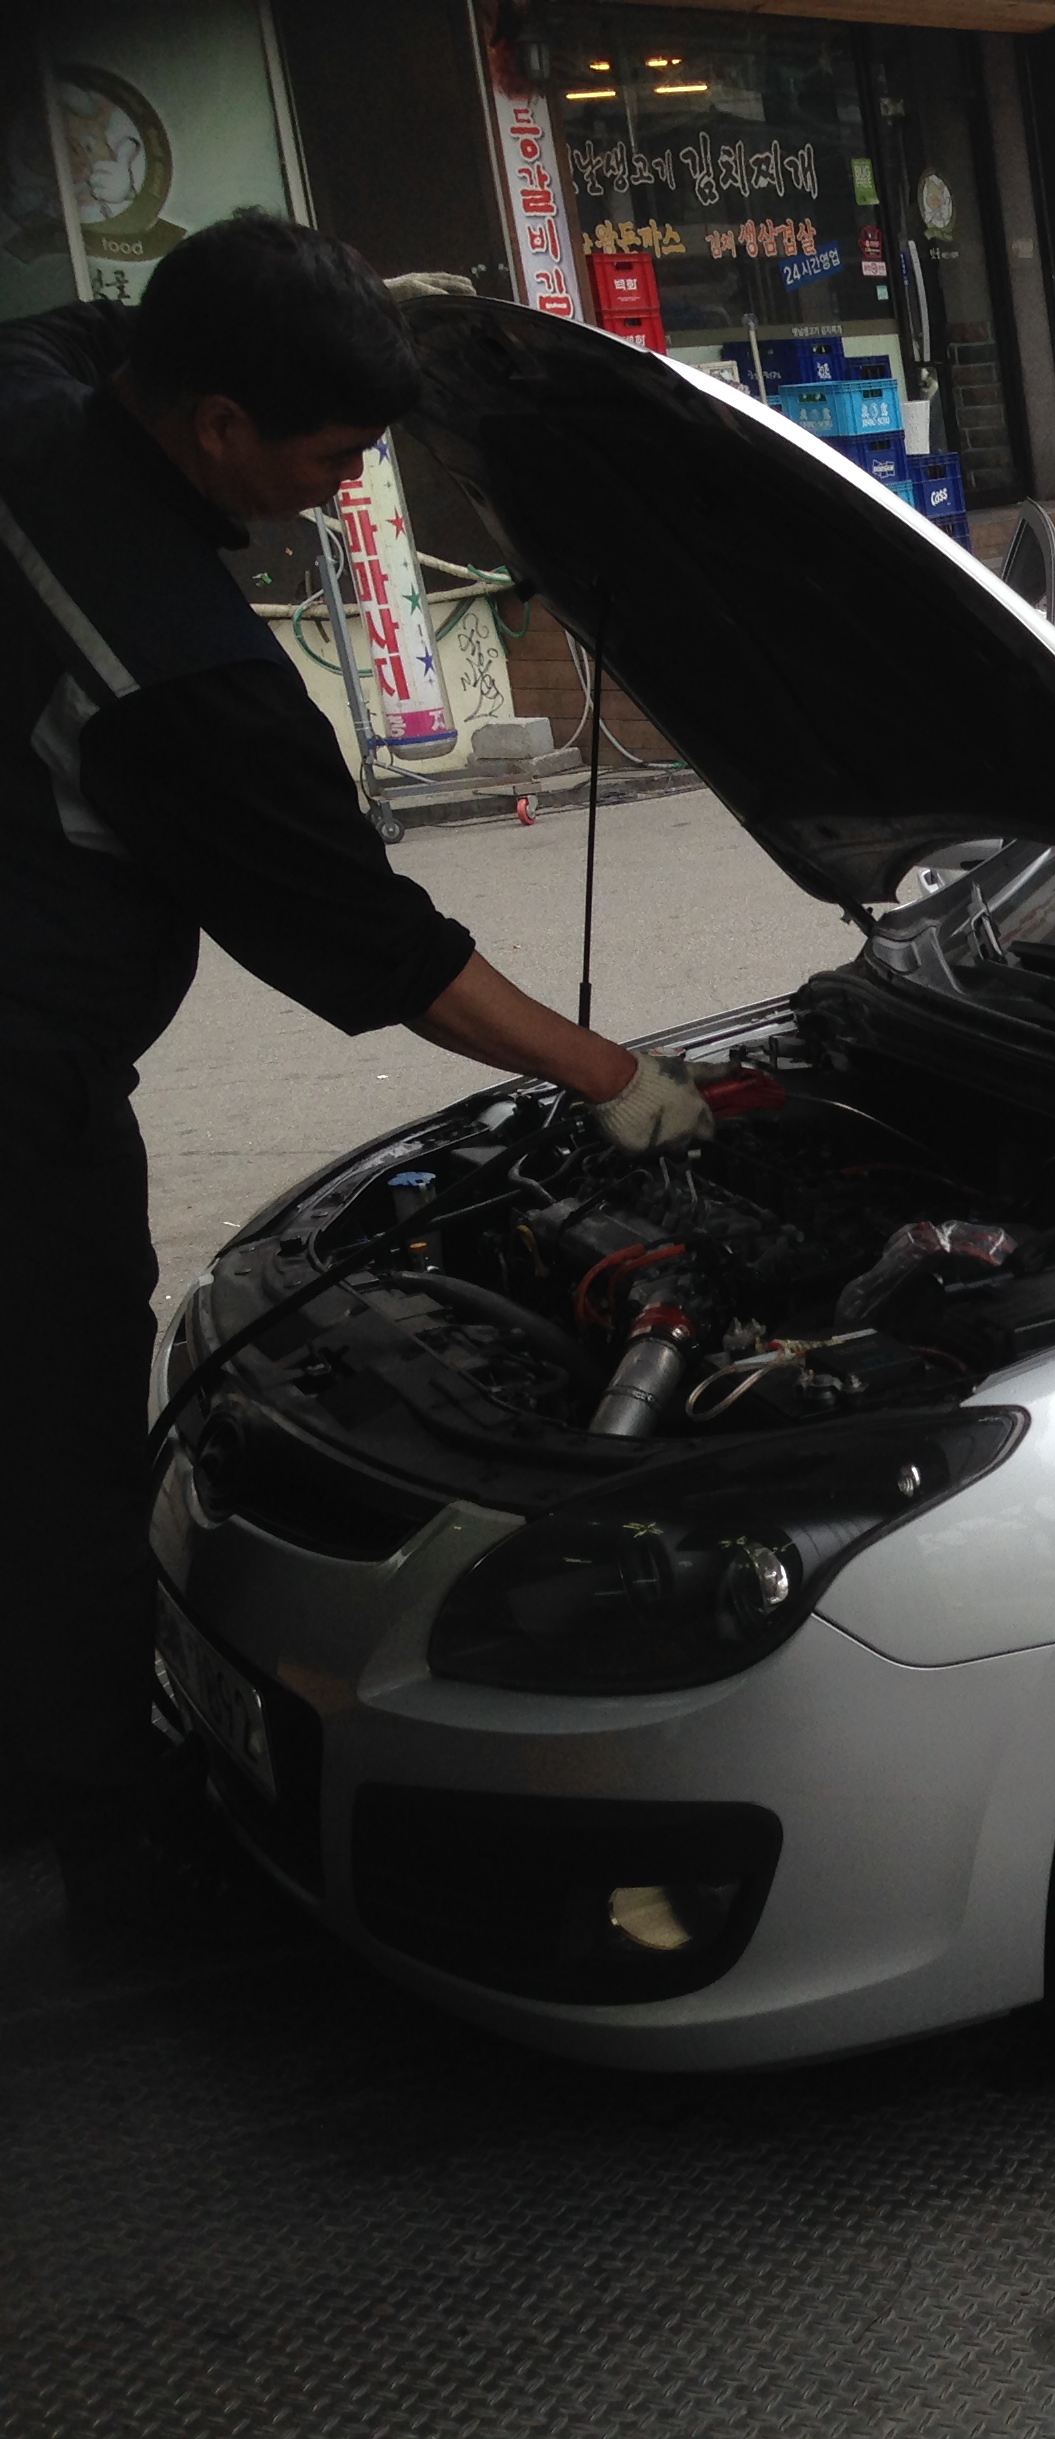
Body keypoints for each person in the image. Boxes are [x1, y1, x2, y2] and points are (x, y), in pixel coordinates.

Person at [0, 212, 712, 1919]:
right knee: (54, 1455)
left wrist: (350, 312)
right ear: (217, 425)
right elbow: (388, 952)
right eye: (331, 455)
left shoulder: (33, 396)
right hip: (17, 1085)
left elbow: (97, 322)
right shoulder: (184, 670)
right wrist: (612, 1076)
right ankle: (102, 1830)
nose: (342, 495)